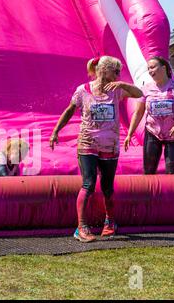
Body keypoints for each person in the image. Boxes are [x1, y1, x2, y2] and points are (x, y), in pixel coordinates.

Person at [50, 56, 143, 242]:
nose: (118, 75)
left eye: (119, 72)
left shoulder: (117, 90)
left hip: (110, 145)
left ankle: (110, 221)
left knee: (107, 187)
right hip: (88, 143)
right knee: (89, 184)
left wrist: (122, 84)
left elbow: (139, 93)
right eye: (115, 71)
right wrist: (55, 131)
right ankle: (81, 227)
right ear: (103, 70)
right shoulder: (83, 90)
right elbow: (70, 110)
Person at [124, 56, 174, 174]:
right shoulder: (146, 89)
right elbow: (138, 113)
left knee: (171, 172)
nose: (150, 71)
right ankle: (148, 193)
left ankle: (170, 192)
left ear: (164, 67)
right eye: (148, 69)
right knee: (149, 171)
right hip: (153, 133)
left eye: (152, 67)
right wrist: (129, 134)